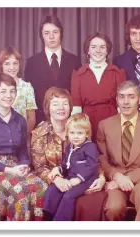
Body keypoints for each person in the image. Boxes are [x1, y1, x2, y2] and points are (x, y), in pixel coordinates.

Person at [0, 73, 47, 221]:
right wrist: (8, 169)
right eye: (3, 91)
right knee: (20, 191)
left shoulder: (20, 120)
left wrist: (24, 165)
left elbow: (23, 153)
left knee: (41, 187)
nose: (8, 95)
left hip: (15, 167)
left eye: (12, 91)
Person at [31, 87, 106, 221]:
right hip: (56, 179)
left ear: (70, 107)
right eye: (55, 104)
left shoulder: (78, 127)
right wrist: (56, 178)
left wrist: (101, 177)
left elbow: (92, 160)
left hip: (80, 179)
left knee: (85, 201)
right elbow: (39, 167)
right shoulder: (39, 133)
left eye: (65, 103)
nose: (61, 107)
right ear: (48, 108)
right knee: (50, 193)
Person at [96, 80, 140, 221]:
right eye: (122, 97)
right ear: (117, 100)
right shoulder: (104, 125)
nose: (126, 102)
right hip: (116, 178)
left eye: (131, 97)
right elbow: (101, 159)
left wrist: (128, 178)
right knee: (114, 207)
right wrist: (116, 176)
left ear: (139, 99)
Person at [24, 15, 81, 125]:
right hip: (41, 122)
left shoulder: (74, 60)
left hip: (68, 122)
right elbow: (29, 97)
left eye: (55, 32)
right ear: (42, 36)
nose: (51, 37)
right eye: (47, 33)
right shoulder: (32, 62)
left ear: (61, 33)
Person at [43, 113, 99, 221]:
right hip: (70, 177)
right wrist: (58, 169)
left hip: (86, 180)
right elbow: (65, 164)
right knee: (53, 189)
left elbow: (92, 166)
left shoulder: (90, 147)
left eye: (79, 133)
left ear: (86, 134)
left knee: (69, 195)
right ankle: (48, 215)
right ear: (68, 133)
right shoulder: (70, 147)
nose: (75, 136)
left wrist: (78, 179)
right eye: (72, 133)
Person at [71, 32, 126, 139]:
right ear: (88, 50)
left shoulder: (117, 73)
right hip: (87, 123)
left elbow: (122, 106)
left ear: (107, 51)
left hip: (112, 121)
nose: (98, 51)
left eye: (102, 47)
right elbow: (76, 109)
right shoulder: (78, 74)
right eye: (93, 47)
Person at [0, 47, 37, 135]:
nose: (12, 67)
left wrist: (21, 136)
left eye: (15, 63)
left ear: (19, 65)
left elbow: (31, 119)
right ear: (1, 66)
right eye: (7, 64)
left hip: (20, 138)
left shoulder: (27, 87)